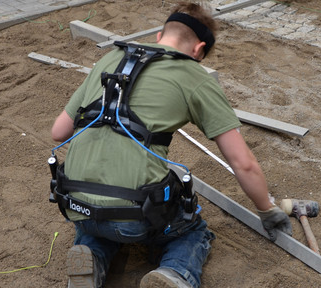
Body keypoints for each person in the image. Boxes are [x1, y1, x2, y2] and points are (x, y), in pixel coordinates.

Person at [50, 2, 292, 288]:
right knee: (192, 231)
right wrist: (266, 209)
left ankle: (93, 255)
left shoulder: (110, 58)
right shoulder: (192, 76)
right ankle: (175, 273)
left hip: (75, 205)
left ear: (159, 36)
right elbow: (243, 163)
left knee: (99, 228)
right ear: (199, 49)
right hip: (135, 217)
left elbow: (59, 132)